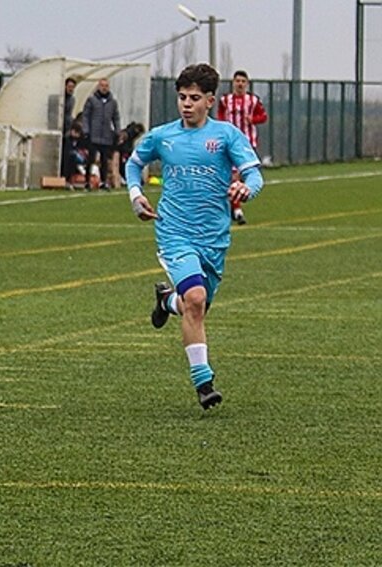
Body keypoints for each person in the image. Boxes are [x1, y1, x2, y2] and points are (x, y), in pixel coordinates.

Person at [125, 63, 264, 410]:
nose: (187, 104)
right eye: (182, 97)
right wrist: (135, 195)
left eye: (194, 98)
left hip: (213, 238)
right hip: (174, 232)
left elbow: (254, 175)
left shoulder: (227, 135)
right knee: (197, 300)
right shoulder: (162, 136)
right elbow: (132, 163)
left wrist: (246, 189)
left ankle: (165, 301)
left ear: (210, 100)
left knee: (194, 306)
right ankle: (204, 383)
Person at [216, 70, 268, 225]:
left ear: (247, 84)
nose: (240, 84)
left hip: (247, 144)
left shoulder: (253, 100)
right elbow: (220, 117)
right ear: (233, 83)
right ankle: (237, 211)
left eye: (243, 81)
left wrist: (252, 119)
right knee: (233, 176)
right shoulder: (225, 100)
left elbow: (263, 116)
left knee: (240, 176)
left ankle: (233, 207)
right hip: (228, 143)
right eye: (237, 81)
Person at [82, 78, 121, 190]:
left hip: (106, 135)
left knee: (104, 160)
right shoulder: (92, 100)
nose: (104, 88)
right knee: (91, 159)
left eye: (106, 86)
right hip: (93, 134)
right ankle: (87, 181)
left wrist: (117, 130)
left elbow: (116, 117)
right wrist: (86, 130)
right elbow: (86, 115)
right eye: (102, 85)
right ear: (98, 87)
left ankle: (104, 182)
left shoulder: (112, 102)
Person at [60, 77, 78, 180]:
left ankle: (65, 177)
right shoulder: (59, 98)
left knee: (67, 155)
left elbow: (69, 115)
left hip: (67, 131)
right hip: (58, 130)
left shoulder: (72, 99)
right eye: (69, 86)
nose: (71, 89)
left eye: (73, 87)